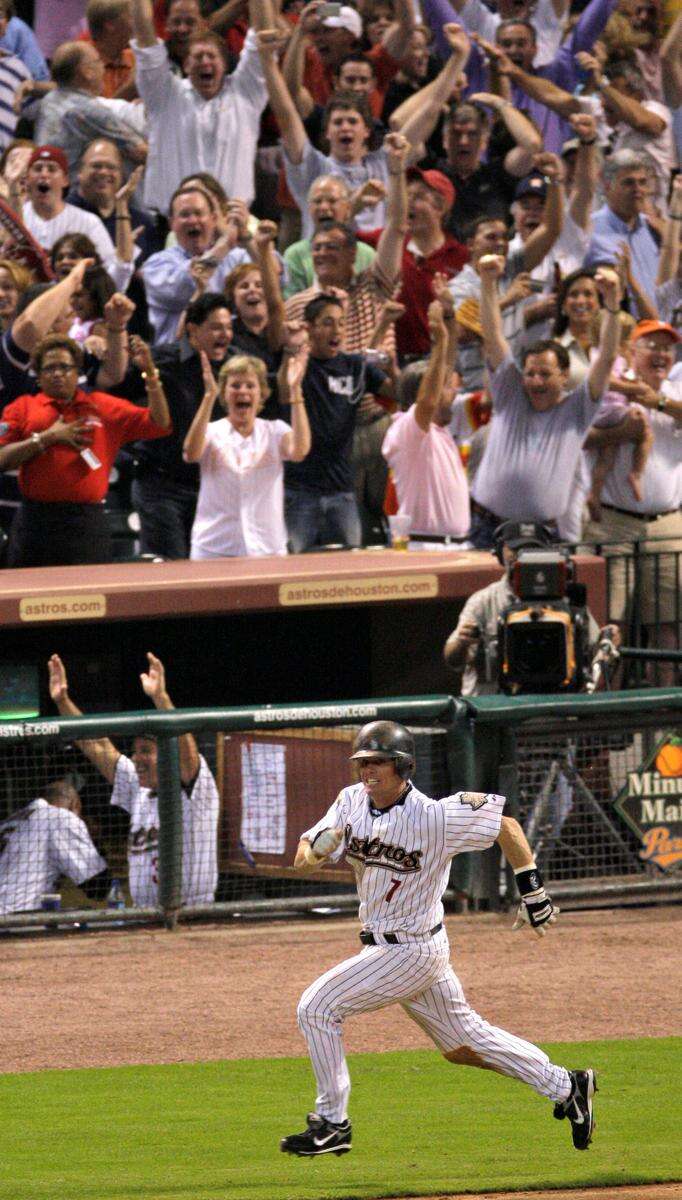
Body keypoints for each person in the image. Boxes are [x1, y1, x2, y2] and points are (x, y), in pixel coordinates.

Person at [281, 718, 596, 1158]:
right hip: (391, 947)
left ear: (403, 766)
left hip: (412, 949)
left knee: (317, 1008)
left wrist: (533, 889)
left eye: (379, 763)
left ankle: (332, 1124)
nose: (368, 772)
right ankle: (567, 1084)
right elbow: (300, 859)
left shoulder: (436, 817)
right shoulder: (350, 801)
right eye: (362, 763)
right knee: (463, 1044)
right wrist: (313, 854)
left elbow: (508, 827)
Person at [467, 253, 623, 549]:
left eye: (545, 374)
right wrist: (488, 283)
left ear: (565, 376)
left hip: (545, 535)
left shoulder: (577, 409)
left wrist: (613, 303)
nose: (535, 381)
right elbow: (492, 336)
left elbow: (607, 358)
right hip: (488, 529)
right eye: (530, 373)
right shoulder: (511, 393)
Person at [47, 652, 219, 907]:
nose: (137, 759)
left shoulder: (194, 789)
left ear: (168, 755)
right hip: (145, 916)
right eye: (135, 751)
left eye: (146, 751)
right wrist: (63, 702)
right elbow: (99, 747)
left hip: (193, 916)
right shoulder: (139, 789)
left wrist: (161, 698)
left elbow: (186, 752)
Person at [0, 331, 170, 567]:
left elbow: (160, 423)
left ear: (77, 372)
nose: (58, 373)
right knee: (30, 599)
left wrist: (150, 373)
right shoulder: (22, 408)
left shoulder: (102, 406)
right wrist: (45, 439)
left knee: (89, 600)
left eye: (65, 367)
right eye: (49, 368)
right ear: (38, 376)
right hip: (35, 521)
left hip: (86, 523)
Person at [130, 0, 271, 214]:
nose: (205, 62)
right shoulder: (164, 95)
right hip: (172, 224)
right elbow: (144, 40)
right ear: (185, 65)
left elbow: (263, 37)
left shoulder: (245, 94)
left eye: (211, 56)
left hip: (234, 222)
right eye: (197, 57)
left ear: (225, 64)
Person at [285, 292, 392, 552]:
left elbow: (394, 392)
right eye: (327, 322)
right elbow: (281, 390)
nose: (337, 330)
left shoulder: (354, 366)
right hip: (299, 491)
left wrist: (394, 367)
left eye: (341, 323)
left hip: (342, 490)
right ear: (308, 328)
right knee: (293, 569)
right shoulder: (297, 365)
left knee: (350, 572)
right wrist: (292, 350)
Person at [131, 292, 233, 560]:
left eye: (228, 327)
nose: (225, 334)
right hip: (162, 486)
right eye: (216, 327)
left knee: (210, 570)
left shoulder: (234, 366)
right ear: (192, 329)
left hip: (211, 486)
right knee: (170, 570)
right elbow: (114, 383)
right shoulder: (162, 361)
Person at [184, 346, 311, 557]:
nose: (243, 391)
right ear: (224, 393)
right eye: (235, 386)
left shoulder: (275, 431)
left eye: (250, 386)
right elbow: (191, 453)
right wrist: (208, 397)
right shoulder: (212, 431)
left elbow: (300, 451)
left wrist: (295, 390)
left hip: (267, 548)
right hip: (214, 547)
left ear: (261, 393)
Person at [382, 298, 469, 539]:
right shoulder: (406, 429)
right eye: (446, 388)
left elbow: (446, 369)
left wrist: (449, 318)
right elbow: (428, 401)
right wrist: (439, 340)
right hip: (426, 546)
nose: (455, 392)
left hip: (455, 546)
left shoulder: (438, 431)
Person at [141, 184, 252, 344]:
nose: (193, 220)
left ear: (214, 219)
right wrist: (225, 244)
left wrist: (248, 237)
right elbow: (186, 285)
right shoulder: (157, 264)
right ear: (172, 223)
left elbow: (276, 277)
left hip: (231, 354)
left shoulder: (235, 257)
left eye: (199, 213)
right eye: (185, 215)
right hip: (175, 359)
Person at [20, 144, 135, 293]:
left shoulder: (88, 222)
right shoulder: (13, 217)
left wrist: (121, 206)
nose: (44, 174)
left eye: (52, 169)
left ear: (65, 180)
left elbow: (114, 279)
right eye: (38, 168)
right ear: (27, 178)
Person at [0, 776, 109, 916]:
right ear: (75, 805)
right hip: (12, 920)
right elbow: (98, 889)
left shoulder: (10, 821)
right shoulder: (60, 817)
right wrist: (95, 842)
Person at [33, 40, 146, 173]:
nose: (103, 66)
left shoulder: (49, 100)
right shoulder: (89, 110)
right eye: (98, 61)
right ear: (87, 72)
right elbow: (141, 152)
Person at [583, 150, 660, 310]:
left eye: (642, 182)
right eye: (628, 183)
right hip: (621, 327)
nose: (638, 189)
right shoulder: (590, 231)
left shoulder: (652, 228)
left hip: (661, 329)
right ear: (607, 186)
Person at [282, 175, 377, 300]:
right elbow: (291, 304)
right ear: (309, 208)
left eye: (332, 201)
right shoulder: (295, 254)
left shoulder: (366, 253)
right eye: (317, 201)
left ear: (348, 208)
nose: (324, 207)